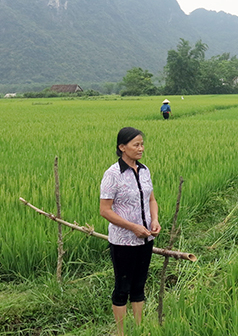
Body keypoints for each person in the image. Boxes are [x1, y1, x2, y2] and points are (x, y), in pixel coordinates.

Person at [100, 127, 161, 336]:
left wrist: (155, 221)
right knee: (122, 287)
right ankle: (121, 332)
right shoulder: (112, 174)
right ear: (122, 147)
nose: (141, 148)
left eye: (142, 144)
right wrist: (133, 227)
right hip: (123, 242)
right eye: (136, 145)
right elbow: (105, 210)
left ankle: (139, 328)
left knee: (139, 286)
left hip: (146, 240)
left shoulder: (144, 171)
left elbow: (151, 199)